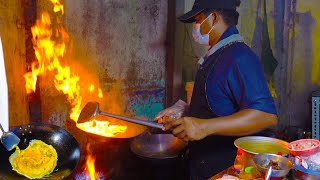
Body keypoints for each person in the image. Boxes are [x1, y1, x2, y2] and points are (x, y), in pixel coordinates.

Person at [155, 0, 278, 179]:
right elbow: (220, 106)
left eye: (198, 20)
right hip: (203, 164)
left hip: (225, 169)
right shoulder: (216, 55)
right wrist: (184, 110)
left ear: (213, 18)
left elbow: (266, 116)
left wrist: (203, 126)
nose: (195, 27)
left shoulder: (239, 57)